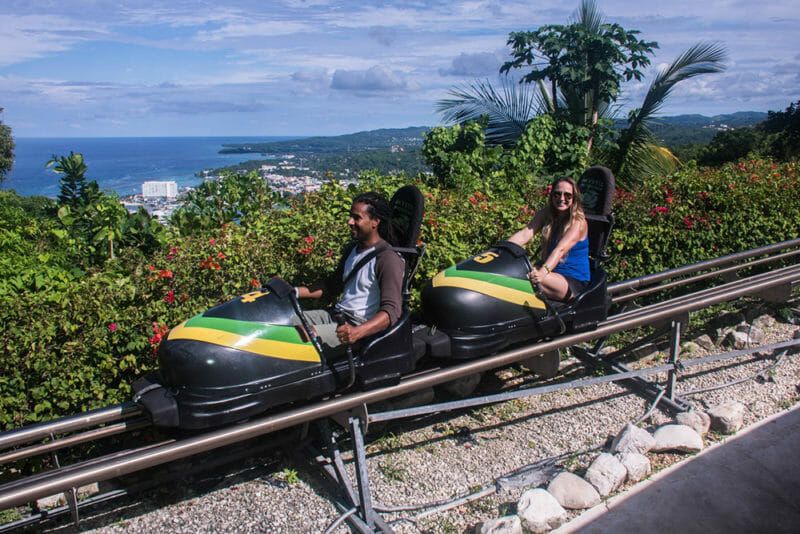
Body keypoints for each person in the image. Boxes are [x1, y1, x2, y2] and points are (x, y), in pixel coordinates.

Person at [294, 192, 404, 356]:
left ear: (375, 222)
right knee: (285, 322)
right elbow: (332, 286)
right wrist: (293, 292)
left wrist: (357, 332)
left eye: (356, 218)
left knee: (300, 336)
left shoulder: (387, 259)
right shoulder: (352, 249)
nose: (349, 222)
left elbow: (392, 311)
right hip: (337, 316)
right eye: (350, 216)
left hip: (356, 326)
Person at [508, 177, 590, 302]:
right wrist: (500, 250)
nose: (562, 199)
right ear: (552, 196)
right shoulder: (546, 214)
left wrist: (543, 272)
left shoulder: (579, 222)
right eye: (557, 194)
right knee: (514, 270)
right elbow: (525, 234)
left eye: (567, 195)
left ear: (574, 198)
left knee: (522, 276)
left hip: (572, 281)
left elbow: (561, 249)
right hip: (550, 274)